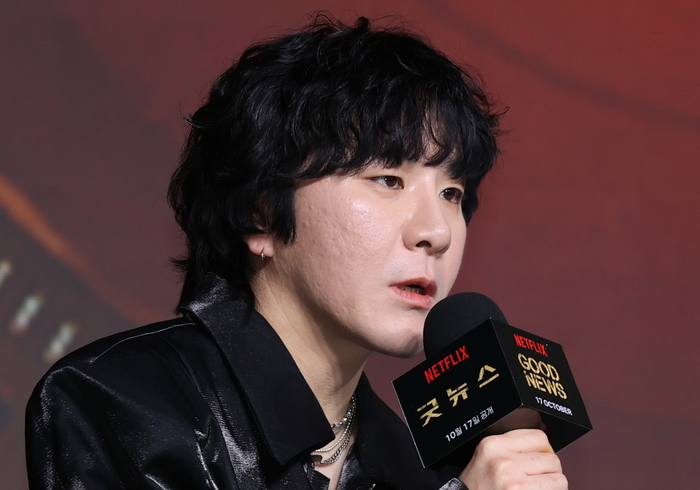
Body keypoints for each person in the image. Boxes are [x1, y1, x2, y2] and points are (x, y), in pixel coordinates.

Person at [25, 16, 567, 490]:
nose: (436, 232)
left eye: (452, 193)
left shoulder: (412, 466)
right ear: (260, 214)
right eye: (387, 179)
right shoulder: (120, 401)